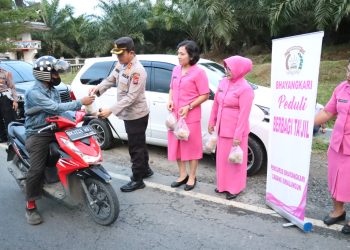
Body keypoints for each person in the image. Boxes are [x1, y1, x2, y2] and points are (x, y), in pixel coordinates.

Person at [24, 56, 95, 225]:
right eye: (54, 73)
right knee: (36, 169)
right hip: (38, 132)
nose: (57, 76)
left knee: (78, 149)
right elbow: (54, 108)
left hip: (56, 128)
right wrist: (79, 103)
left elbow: (62, 112)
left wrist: (85, 114)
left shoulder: (53, 90)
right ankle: (30, 206)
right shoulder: (34, 92)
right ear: (44, 75)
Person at [89, 37, 153, 192]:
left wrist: (110, 110)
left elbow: (131, 97)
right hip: (129, 113)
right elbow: (111, 79)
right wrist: (98, 89)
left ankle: (138, 179)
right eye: (116, 54)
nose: (118, 57)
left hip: (137, 114)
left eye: (121, 54)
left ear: (131, 53)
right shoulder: (121, 64)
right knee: (139, 143)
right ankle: (145, 169)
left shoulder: (138, 71)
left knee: (135, 147)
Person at [208, 55, 254, 200]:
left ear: (239, 70)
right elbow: (216, 103)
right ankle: (222, 185)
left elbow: (244, 114)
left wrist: (238, 136)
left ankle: (235, 188)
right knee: (222, 159)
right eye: (226, 68)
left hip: (236, 131)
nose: (226, 71)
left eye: (230, 68)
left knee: (234, 160)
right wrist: (212, 121)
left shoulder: (245, 89)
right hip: (222, 128)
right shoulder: (223, 83)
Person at [167, 40, 209, 191]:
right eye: (178, 53)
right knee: (177, 145)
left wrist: (189, 106)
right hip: (175, 115)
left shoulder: (199, 73)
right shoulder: (176, 70)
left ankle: (192, 176)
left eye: (182, 54)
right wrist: (170, 100)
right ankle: (182, 174)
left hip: (190, 116)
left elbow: (205, 94)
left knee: (191, 148)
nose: (178, 56)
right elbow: (171, 87)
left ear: (191, 56)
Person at [315, 59, 350, 234]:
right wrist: (308, 123)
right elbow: (328, 111)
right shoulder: (342, 88)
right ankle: (339, 211)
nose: (348, 75)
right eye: (349, 70)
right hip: (338, 143)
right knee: (335, 178)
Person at [0, 66, 18, 142]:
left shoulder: (6, 73)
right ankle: (2, 138)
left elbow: (12, 87)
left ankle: (12, 139)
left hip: (4, 97)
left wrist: (15, 101)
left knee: (9, 119)